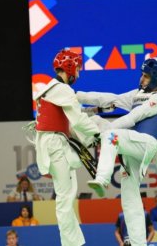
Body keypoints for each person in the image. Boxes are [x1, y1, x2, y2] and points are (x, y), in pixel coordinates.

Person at [77, 57, 157, 246]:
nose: (141, 79)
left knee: (111, 135)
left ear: (156, 78)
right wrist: (76, 96)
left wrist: (107, 132)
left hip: (146, 144)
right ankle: (139, 244)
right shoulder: (137, 94)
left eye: (145, 76)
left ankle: (102, 179)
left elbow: (134, 117)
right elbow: (108, 98)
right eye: (142, 75)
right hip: (131, 147)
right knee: (130, 199)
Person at [33, 49, 100, 246]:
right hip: (55, 144)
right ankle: (70, 244)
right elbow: (78, 120)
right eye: (77, 69)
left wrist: (93, 116)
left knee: (68, 194)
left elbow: (72, 116)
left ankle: (75, 242)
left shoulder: (51, 88)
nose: (78, 74)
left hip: (57, 143)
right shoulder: (62, 90)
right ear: (70, 68)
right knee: (64, 198)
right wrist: (97, 134)